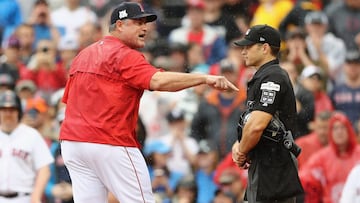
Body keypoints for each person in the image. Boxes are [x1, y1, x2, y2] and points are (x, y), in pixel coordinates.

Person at [59, 2, 239, 203]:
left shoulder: (83, 55)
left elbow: (67, 102)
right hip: (109, 142)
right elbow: (157, 81)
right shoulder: (124, 54)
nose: (145, 27)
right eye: (137, 22)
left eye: (145, 22)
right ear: (119, 25)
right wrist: (203, 78)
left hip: (73, 143)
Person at [231, 24, 304, 202]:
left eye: (249, 46)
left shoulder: (273, 77)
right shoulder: (264, 76)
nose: (243, 51)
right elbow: (251, 122)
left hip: (274, 168)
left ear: (265, 48)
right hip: (266, 165)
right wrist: (239, 144)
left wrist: (241, 150)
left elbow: (256, 126)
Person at [0, 90, 54, 203]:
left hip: (24, 197)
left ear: (19, 112)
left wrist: (36, 195)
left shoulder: (32, 135)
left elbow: (44, 169)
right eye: (4, 109)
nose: (8, 114)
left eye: (12, 109)